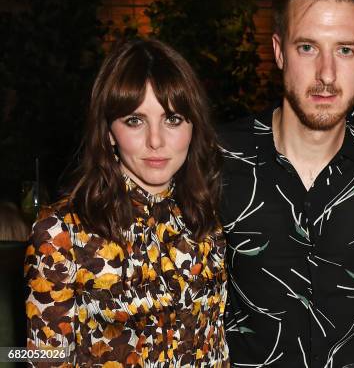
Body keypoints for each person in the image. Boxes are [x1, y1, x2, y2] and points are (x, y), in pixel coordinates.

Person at [219, 0, 354, 367]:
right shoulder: (217, 158)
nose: (326, 74)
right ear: (279, 51)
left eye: (345, 50)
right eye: (307, 47)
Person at [25, 39, 229, 366]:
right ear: (108, 131)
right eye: (135, 120)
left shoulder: (207, 215)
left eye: (173, 119)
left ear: (194, 128)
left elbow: (217, 345)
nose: (156, 141)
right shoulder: (62, 233)